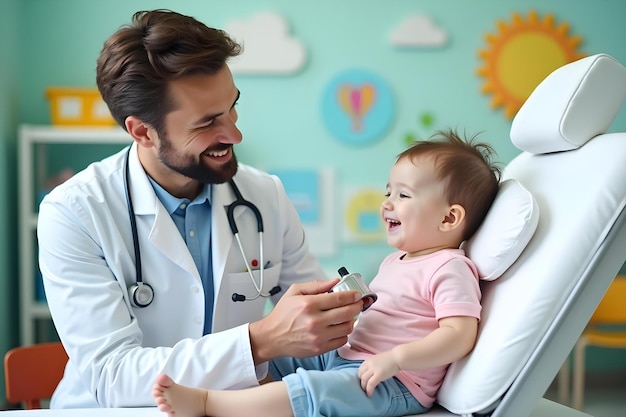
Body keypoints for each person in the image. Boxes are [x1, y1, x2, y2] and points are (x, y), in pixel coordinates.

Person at [37, 9, 364, 408]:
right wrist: (260, 341)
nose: (234, 133)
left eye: (232, 106)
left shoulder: (265, 197)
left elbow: (317, 330)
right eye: (207, 122)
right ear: (142, 131)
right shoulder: (73, 213)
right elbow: (113, 375)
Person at [151, 129, 502, 417]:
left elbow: (459, 334)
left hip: (395, 382)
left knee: (312, 391)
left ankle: (211, 404)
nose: (387, 203)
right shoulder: (397, 261)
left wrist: (397, 359)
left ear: (449, 218)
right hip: (350, 354)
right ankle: (242, 398)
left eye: (404, 195)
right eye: (388, 192)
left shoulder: (451, 267)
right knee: (282, 356)